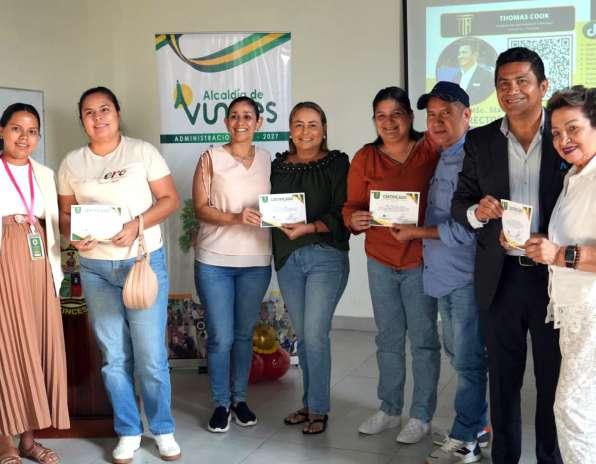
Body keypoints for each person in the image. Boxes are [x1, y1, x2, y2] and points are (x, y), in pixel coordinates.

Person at [451, 48, 566, 464]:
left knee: (553, 378)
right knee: (503, 379)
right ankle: (505, 457)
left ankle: (550, 457)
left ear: (543, 86)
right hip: (501, 278)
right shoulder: (480, 140)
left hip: (554, 278)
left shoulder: (564, 137)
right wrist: (477, 213)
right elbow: (460, 202)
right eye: (503, 83)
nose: (511, 90)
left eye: (522, 81)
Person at [57, 87, 181, 463]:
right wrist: (73, 235)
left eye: (105, 109)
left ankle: (162, 428)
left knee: (150, 356)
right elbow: (66, 217)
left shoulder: (141, 152)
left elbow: (170, 200)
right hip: (96, 269)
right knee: (113, 357)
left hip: (141, 263)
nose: (98, 118)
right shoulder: (71, 163)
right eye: (89, 112)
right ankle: (128, 430)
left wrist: (136, 224)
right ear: (82, 120)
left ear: (117, 113)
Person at [391, 82, 488, 463]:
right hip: (442, 274)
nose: (436, 121)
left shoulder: (472, 159)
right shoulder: (444, 155)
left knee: (467, 360)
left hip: (465, 275)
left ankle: (465, 438)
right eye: (431, 115)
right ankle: (478, 426)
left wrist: (415, 233)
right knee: (458, 353)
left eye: (446, 113)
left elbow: (468, 227)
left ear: (467, 115)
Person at [342, 87, 441, 444]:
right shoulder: (365, 157)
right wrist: (354, 220)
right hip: (381, 261)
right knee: (388, 337)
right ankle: (389, 408)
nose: (389, 122)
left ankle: (421, 416)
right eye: (381, 116)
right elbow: (351, 207)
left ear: (410, 117)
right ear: (374, 121)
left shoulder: (431, 149)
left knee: (424, 340)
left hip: (420, 260)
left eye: (396, 114)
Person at [192, 96, 272, 433]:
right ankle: (221, 403)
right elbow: (200, 208)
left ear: (259, 123)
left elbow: (279, 205)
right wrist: (236, 217)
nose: (241, 122)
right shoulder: (210, 158)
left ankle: (239, 399)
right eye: (235, 116)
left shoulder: (268, 159)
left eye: (248, 116)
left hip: (256, 260)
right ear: (226, 122)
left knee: (242, 335)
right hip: (215, 261)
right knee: (221, 338)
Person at [525, 85, 596, 464]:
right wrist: (545, 245)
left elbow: (567, 253)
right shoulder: (576, 174)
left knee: (572, 410)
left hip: (591, 311)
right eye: (555, 133)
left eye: (573, 129)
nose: (563, 140)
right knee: (584, 410)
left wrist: (558, 254)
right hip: (572, 311)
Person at [271, 102, 350, 435]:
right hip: (288, 258)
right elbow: (269, 206)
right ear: (290, 130)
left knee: (315, 335)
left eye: (313, 124)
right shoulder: (277, 166)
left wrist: (310, 227)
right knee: (304, 336)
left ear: (324, 129)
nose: (306, 131)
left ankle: (318, 409)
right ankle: (308, 404)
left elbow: (344, 211)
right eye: (299, 124)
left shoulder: (337, 163)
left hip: (325, 256)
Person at [0, 103, 69, 464]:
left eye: (31, 131)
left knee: (36, 347)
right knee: (7, 349)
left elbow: (54, 222)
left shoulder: (45, 173)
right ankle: (5, 442)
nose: (24, 137)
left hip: (39, 261)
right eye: (16, 129)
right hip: (4, 257)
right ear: (1, 131)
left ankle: (28, 440)